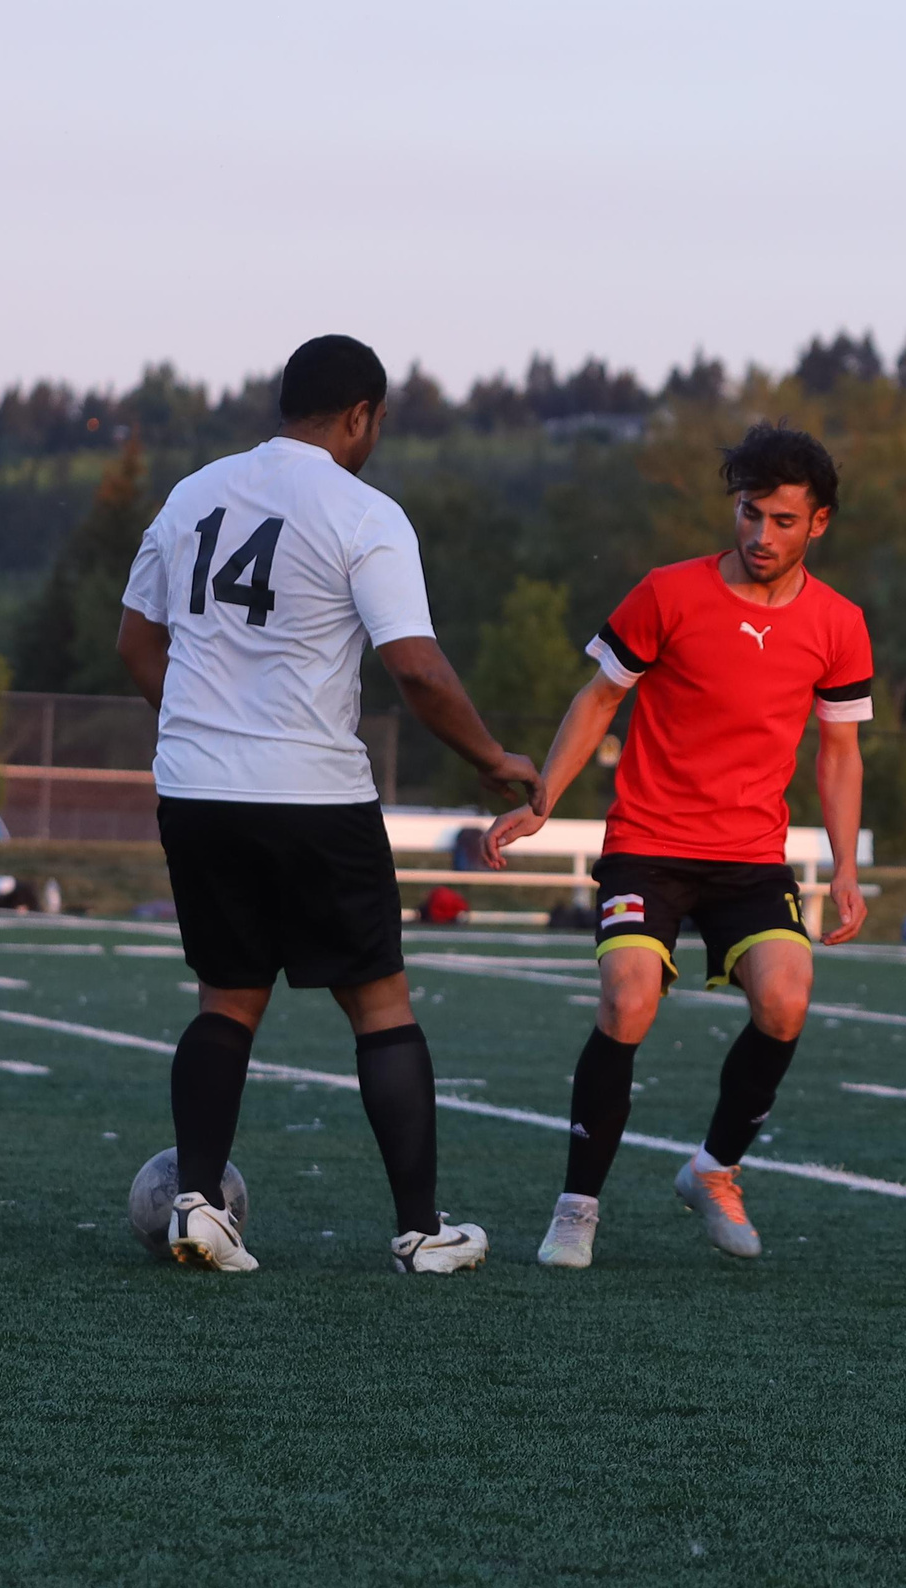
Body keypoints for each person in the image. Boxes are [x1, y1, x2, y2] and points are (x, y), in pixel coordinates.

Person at [115, 334, 540, 1273]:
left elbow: (136, 643)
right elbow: (417, 667)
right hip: (311, 789)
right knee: (379, 1002)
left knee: (228, 997)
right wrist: (491, 755)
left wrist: (203, 727)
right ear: (361, 416)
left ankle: (197, 1203)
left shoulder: (191, 495)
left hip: (197, 788)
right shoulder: (363, 511)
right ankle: (422, 1230)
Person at [482, 424, 872, 1269]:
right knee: (628, 1001)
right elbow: (599, 699)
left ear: (819, 523)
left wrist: (844, 865)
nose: (760, 534)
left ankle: (713, 1169)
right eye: (748, 512)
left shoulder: (840, 624)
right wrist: (544, 801)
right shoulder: (667, 592)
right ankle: (577, 1206)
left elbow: (839, 751)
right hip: (648, 842)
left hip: (751, 856)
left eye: (781, 520)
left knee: (787, 1000)